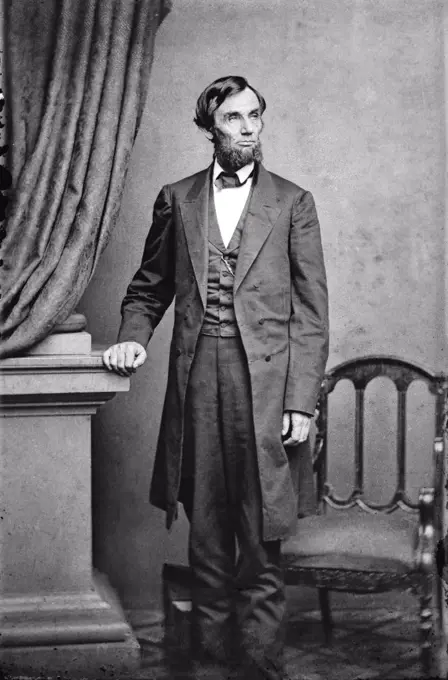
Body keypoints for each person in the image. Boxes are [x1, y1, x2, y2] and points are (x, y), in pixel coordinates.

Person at [103, 75, 329, 680]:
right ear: (210, 128)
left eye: (255, 114)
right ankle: (208, 666)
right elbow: (148, 289)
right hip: (199, 378)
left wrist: (301, 401)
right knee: (205, 534)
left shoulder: (293, 202)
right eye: (234, 118)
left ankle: (260, 668)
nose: (249, 127)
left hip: (268, 388)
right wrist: (131, 336)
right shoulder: (177, 199)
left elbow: (311, 313)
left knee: (259, 540)